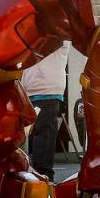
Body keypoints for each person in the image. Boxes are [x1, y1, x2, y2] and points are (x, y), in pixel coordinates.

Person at [21, 42, 70, 181]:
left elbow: (41, 46)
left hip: (47, 90)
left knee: (43, 133)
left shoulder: (59, 33)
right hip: (29, 90)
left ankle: (44, 176)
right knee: (31, 134)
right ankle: (35, 175)